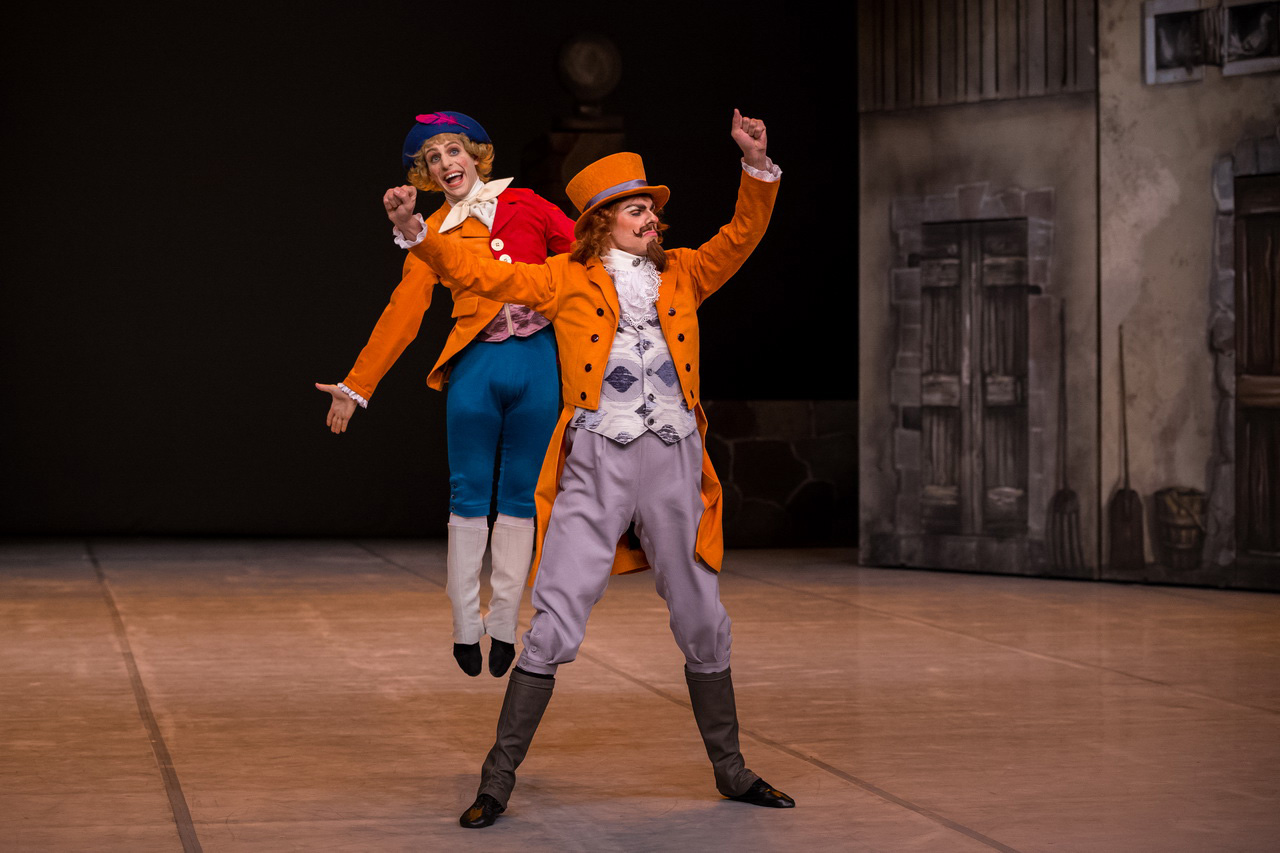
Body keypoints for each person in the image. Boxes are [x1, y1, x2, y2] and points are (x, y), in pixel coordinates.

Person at [384, 109, 795, 827]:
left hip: (673, 461)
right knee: (553, 624)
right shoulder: (563, 278)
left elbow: (742, 235)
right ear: (604, 222)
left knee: (703, 617)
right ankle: (496, 780)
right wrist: (420, 234)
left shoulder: (683, 271)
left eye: (652, 210)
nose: (652, 220)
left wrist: (756, 166)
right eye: (637, 210)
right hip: (597, 461)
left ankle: (732, 770)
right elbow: (481, 272)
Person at [318, 111, 575, 678]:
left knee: (520, 495)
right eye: (432, 158)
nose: (444, 163)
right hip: (476, 366)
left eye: (452, 150)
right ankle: (464, 623)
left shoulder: (527, 203)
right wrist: (356, 386)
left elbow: (586, 259)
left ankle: (503, 621)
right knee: (467, 494)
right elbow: (404, 311)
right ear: (426, 175)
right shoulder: (429, 231)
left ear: (474, 155)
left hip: (539, 364)